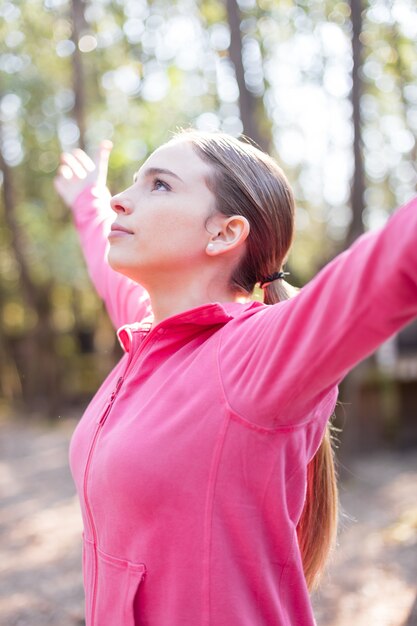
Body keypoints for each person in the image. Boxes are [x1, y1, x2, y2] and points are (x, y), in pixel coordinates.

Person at [54, 130, 417, 626]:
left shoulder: (260, 354)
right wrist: (86, 200)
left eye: (159, 185)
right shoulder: (151, 333)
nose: (121, 200)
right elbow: (103, 257)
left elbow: (395, 259)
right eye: (133, 183)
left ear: (225, 233)